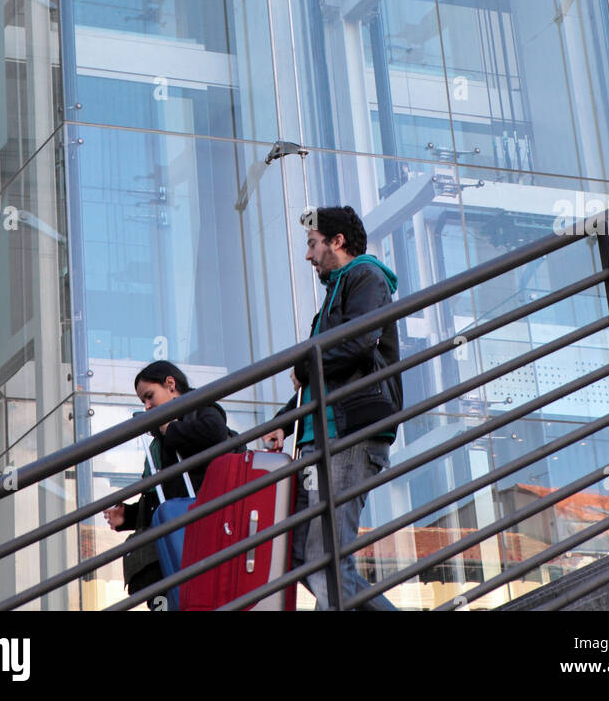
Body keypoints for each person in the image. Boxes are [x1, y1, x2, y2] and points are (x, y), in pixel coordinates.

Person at [264, 205, 401, 610]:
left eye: (312, 244)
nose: (308, 256)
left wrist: (306, 365)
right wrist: (283, 425)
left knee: (325, 562)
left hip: (348, 437)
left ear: (337, 242)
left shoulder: (366, 276)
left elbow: (357, 343)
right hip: (322, 439)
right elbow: (320, 377)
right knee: (303, 559)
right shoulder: (335, 296)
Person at [105, 359, 233, 608]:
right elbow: (160, 498)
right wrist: (128, 517)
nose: (147, 406)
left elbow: (215, 432)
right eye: (143, 401)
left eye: (149, 396)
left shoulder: (199, 406)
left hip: (197, 537)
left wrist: (171, 431)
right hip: (172, 545)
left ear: (171, 384)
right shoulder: (158, 438)